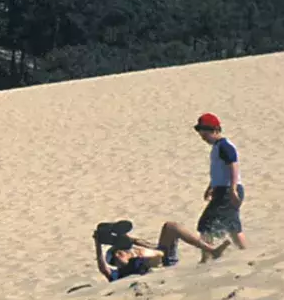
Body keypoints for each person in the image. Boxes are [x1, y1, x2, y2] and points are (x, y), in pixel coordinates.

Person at [97, 220, 229, 282]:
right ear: (114, 263)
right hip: (161, 263)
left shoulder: (135, 253)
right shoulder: (118, 274)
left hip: (161, 256)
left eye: (121, 251)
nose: (122, 253)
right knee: (147, 255)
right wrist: (97, 244)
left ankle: (211, 250)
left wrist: (132, 240)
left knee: (170, 226)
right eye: (118, 254)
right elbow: (103, 268)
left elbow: (154, 247)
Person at [194, 113, 247, 253]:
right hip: (222, 189)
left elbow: (233, 165)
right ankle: (244, 252)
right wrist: (211, 187)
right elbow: (219, 172)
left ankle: (207, 257)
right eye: (202, 136)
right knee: (232, 226)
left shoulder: (224, 146)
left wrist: (233, 188)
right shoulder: (217, 147)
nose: (204, 139)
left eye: (206, 135)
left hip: (227, 191)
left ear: (216, 130)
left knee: (206, 224)